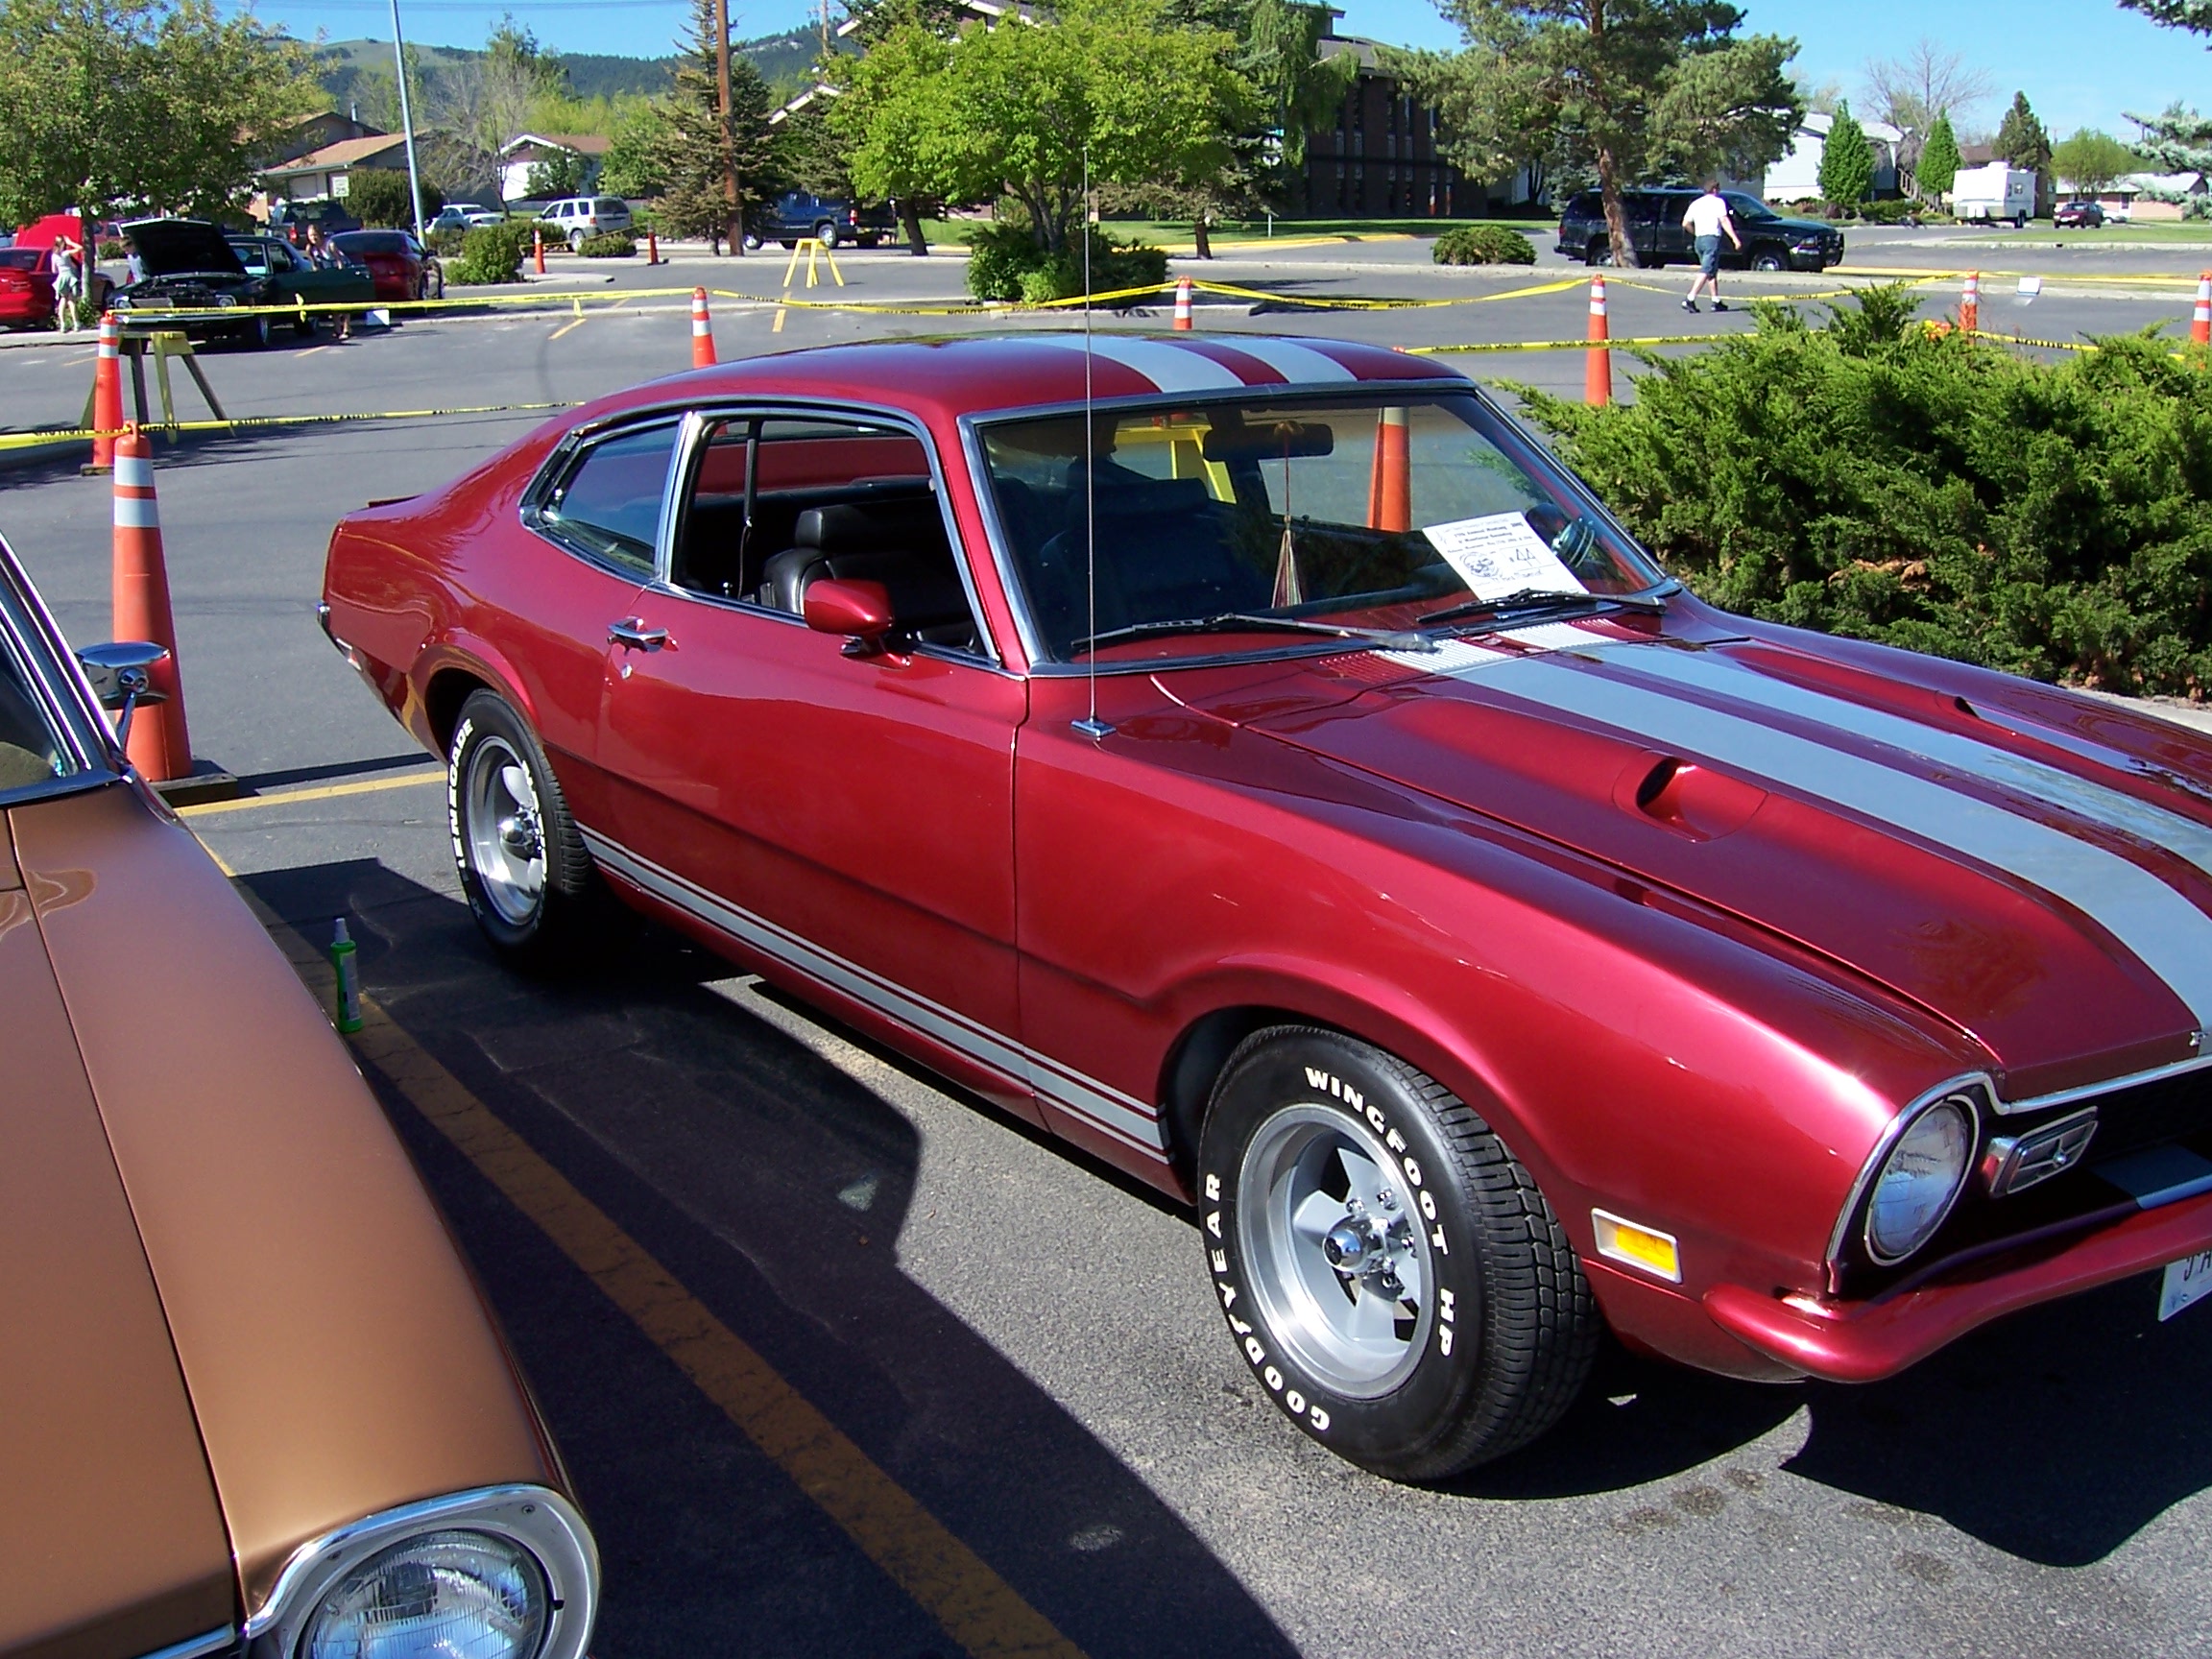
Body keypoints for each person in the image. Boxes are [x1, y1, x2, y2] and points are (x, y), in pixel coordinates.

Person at [1681, 182, 1742, 313]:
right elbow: (1724, 220)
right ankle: (1690, 298)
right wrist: (1734, 238)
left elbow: (1685, 223)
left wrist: (1695, 232)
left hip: (1699, 240)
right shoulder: (1718, 202)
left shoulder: (1696, 203)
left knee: (1711, 270)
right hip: (1712, 239)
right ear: (1714, 189)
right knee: (1706, 269)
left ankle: (1715, 300)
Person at [303, 224, 350, 340]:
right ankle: (337, 329)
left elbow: (340, 261)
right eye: (310, 235)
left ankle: (347, 328)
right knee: (333, 303)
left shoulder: (330, 245)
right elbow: (315, 266)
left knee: (344, 302)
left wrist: (341, 277)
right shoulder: (311, 249)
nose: (313, 238)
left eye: (315, 235)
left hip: (340, 273)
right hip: (328, 275)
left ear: (319, 234)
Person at [48, 228, 83, 330]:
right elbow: (80, 248)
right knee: (71, 301)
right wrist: (70, 242)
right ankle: (76, 323)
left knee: (62, 300)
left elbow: (54, 270)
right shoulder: (66, 253)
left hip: (61, 278)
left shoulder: (54, 256)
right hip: (70, 276)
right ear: (63, 243)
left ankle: (62, 324)